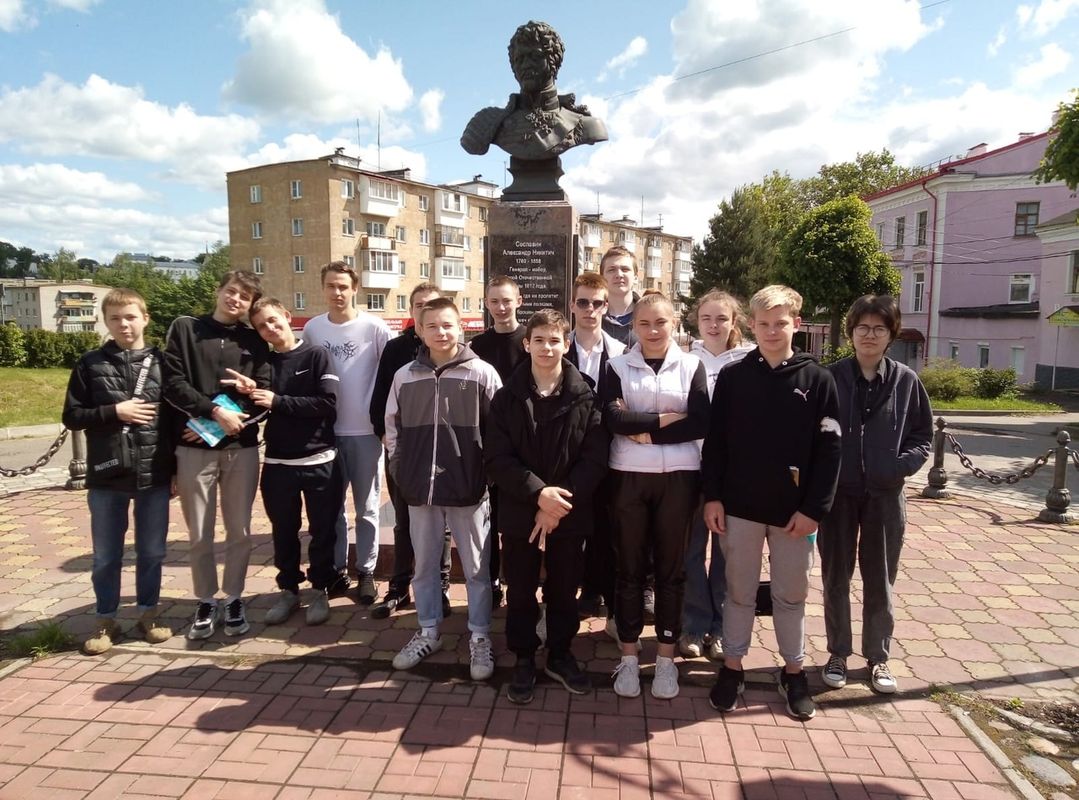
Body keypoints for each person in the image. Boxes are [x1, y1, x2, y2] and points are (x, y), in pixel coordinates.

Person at [702, 284, 842, 721]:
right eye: (763, 324)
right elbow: (716, 444)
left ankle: (793, 671)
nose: (771, 331)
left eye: (780, 323)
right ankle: (733, 667)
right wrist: (713, 497)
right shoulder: (734, 377)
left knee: (791, 594)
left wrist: (814, 509)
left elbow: (831, 451)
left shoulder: (818, 380)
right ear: (751, 325)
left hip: (794, 515)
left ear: (796, 324)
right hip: (740, 508)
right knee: (739, 592)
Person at [485, 308, 610, 704]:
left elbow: (595, 459)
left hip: (569, 512)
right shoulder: (506, 398)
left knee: (563, 589)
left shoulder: (586, 395)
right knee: (521, 589)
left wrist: (557, 503)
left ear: (567, 344)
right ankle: (524, 656)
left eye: (555, 340)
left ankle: (559, 653)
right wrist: (539, 495)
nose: (547, 347)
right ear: (527, 344)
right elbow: (497, 457)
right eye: (538, 340)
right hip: (521, 510)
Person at [818, 295, 932, 695]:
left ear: (891, 335)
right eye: (863, 327)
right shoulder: (831, 378)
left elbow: (922, 436)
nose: (870, 335)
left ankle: (878, 657)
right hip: (839, 496)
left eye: (879, 329)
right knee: (836, 576)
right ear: (851, 332)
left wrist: (896, 468)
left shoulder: (906, 381)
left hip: (885, 496)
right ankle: (837, 653)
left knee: (880, 579)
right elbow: (813, 433)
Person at [386, 298, 502, 681]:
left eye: (448, 324)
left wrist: (485, 475)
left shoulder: (482, 373)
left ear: (461, 328)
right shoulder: (405, 376)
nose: (441, 332)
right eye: (432, 325)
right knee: (424, 565)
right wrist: (402, 473)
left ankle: (480, 635)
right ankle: (429, 630)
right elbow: (392, 429)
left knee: (476, 568)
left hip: (468, 488)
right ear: (419, 330)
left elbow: (500, 431)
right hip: (420, 489)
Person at [604, 291, 709, 700]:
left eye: (660, 322)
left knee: (671, 570)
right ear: (633, 326)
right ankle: (629, 656)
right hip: (628, 475)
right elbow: (614, 418)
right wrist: (667, 419)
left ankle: (666, 657)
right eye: (644, 323)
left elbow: (700, 422)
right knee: (629, 569)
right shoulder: (616, 366)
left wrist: (645, 430)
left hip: (680, 477)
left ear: (674, 323)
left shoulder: (692, 365)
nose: (652, 331)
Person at [63, 288, 174, 654]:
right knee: (106, 556)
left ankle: (148, 615)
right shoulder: (90, 363)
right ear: (105, 322)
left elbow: (174, 420)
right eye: (115, 318)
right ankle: (105, 619)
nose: (124, 324)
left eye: (130, 317)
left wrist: (175, 470)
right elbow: (72, 416)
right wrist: (115, 411)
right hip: (107, 475)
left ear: (145, 318)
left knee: (152, 552)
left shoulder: (163, 363)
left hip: (154, 473)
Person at [163, 270, 270, 640]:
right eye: (231, 291)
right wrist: (212, 414)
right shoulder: (186, 329)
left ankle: (234, 596)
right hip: (194, 448)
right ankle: (206, 600)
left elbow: (263, 392)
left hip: (241, 449)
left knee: (240, 530)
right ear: (218, 290)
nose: (235, 300)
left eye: (244, 297)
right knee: (199, 531)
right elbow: (172, 383)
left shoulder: (254, 340)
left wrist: (221, 424)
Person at [234, 297, 347, 627]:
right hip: (278, 463)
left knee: (322, 531)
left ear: (286, 316)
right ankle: (288, 590)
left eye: (273, 320)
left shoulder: (316, 355)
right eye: (261, 326)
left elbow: (327, 403)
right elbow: (254, 410)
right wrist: (248, 393)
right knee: (283, 531)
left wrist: (279, 401)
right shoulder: (264, 365)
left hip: (320, 460)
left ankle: (320, 589)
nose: (270, 328)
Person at [303, 261, 392, 605]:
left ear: (355, 288)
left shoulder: (374, 327)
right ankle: (337, 569)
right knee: (332, 508)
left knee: (367, 507)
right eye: (331, 286)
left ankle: (366, 570)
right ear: (322, 288)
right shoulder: (313, 329)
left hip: (365, 432)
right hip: (326, 433)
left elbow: (391, 375)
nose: (337, 292)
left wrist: (385, 424)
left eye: (343, 286)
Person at [368, 283, 452, 620]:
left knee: (442, 522)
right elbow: (380, 401)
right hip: (405, 452)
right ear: (412, 311)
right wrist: (389, 442)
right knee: (403, 521)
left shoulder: (453, 350)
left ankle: (441, 586)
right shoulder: (396, 349)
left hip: (443, 454)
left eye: (432, 305)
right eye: (419, 305)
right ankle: (399, 587)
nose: (425, 310)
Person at [680, 291, 754, 661]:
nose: (713, 325)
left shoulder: (749, 359)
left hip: (731, 473)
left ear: (734, 322)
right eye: (707, 318)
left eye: (721, 318)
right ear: (697, 320)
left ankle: (722, 627)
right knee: (691, 551)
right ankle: (694, 624)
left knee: (727, 554)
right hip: (689, 467)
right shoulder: (683, 357)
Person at [460, 20, 607, 161]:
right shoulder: (487, 122)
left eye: (535, 57)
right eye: (519, 59)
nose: (526, 65)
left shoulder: (587, 125)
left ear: (553, 60)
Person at [565, 271, 624, 620]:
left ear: (606, 307)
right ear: (573, 305)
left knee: (604, 529)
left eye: (597, 303)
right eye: (583, 302)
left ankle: (596, 592)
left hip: (607, 456)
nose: (590, 309)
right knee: (569, 531)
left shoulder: (620, 353)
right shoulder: (559, 347)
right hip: (566, 456)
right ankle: (564, 598)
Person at [469, 275, 527, 608]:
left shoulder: (530, 341)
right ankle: (491, 582)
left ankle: (521, 584)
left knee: (517, 522)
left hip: (523, 447)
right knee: (486, 522)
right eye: (494, 301)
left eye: (507, 301)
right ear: (487, 304)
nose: (501, 307)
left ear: (519, 301)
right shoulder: (477, 346)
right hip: (487, 445)